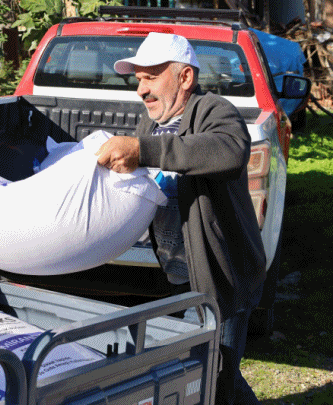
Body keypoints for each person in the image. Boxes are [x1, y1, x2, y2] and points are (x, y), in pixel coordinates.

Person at [96, 32, 266, 405]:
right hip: (178, 276)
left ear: (185, 77)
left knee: (214, 379)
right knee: (208, 373)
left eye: (150, 77)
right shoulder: (151, 124)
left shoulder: (214, 111)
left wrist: (143, 150)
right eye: (137, 79)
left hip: (221, 278)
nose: (140, 89)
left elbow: (227, 151)